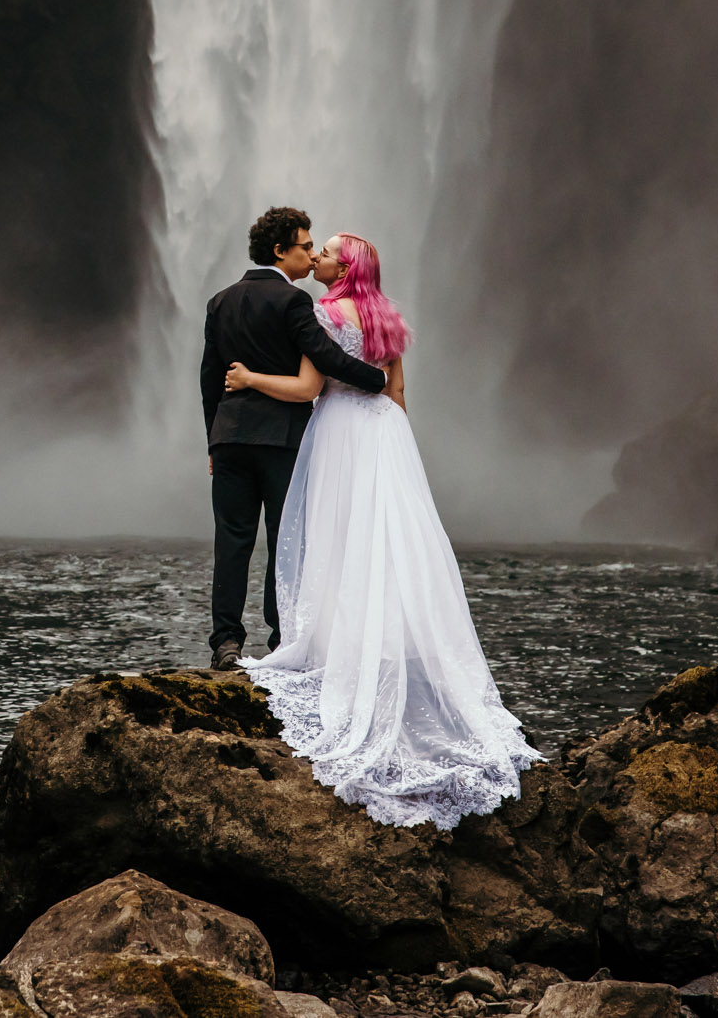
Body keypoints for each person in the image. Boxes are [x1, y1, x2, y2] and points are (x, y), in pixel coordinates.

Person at [220, 231, 541, 829]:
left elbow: (311, 389)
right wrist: (397, 448)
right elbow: (396, 393)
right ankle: (395, 646)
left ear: (343, 266)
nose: (315, 257)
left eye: (325, 252)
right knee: (392, 542)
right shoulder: (388, 318)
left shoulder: (320, 313)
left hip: (340, 429)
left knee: (340, 540)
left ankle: (337, 646)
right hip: (388, 435)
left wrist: (250, 381)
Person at [201, 206, 390, 671]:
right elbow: (323, 354)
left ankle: (225, 643)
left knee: (231, 539)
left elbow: (209, 380)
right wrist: (377, 380)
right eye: (305, 246)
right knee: (284, 538)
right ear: (280, 251)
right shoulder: (293, 302)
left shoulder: (220, 301)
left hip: (229, 439)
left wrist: (212, 440)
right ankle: (280, 638)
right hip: (282, 438)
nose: (311, 254)